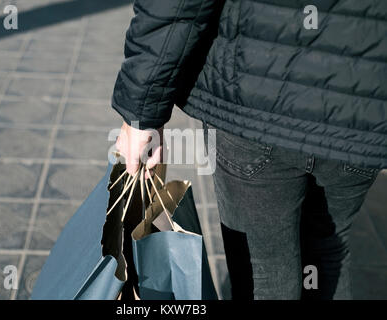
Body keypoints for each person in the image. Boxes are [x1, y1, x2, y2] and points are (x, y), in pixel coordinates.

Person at [112, 0, 387, 299]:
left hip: (254, 105)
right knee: (328, 250)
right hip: (364, 112)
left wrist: (141, 112)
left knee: (265, 266)